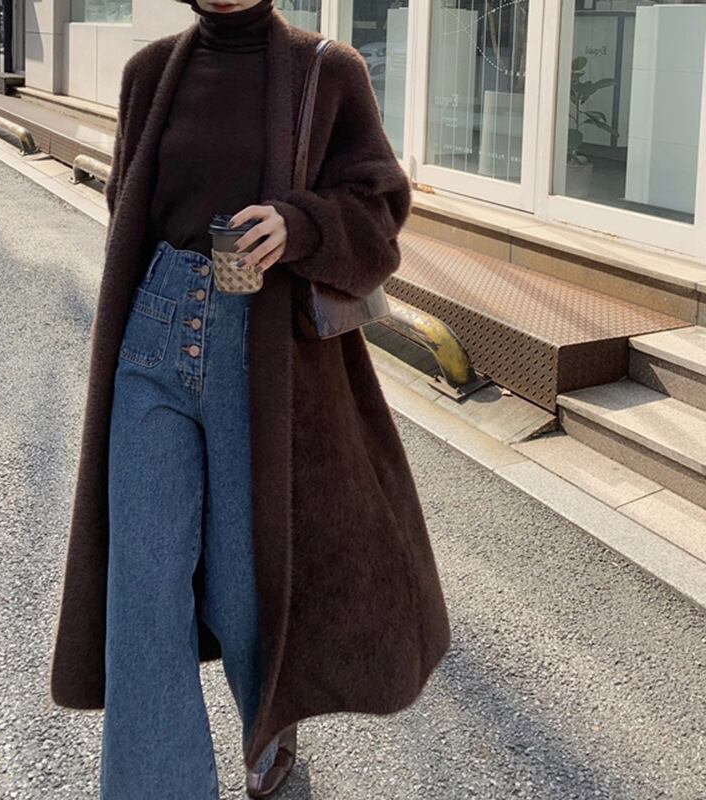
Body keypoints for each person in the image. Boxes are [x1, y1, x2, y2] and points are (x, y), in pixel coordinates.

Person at [49, 1, 453, 798]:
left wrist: (301, 225)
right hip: (154, 334)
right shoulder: (149, 73)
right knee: (143, 584)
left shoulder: (326, 71)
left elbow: (379, 214)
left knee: (245, 585)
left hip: (258, 347)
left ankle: (269, 738)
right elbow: (128, 206)